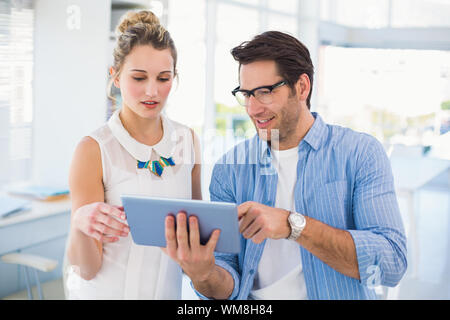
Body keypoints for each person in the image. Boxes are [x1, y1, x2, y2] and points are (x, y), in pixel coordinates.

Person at [164, 31, 407, 300]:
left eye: (265, 92)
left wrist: (294, 226)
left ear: (302, 87)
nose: (253, 109)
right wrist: (203, 275)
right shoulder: (229, 171)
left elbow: (391, 264)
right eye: (246, 94)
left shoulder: (360, 153)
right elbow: (227, 279)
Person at [65, 10, 201, 299]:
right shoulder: (93, 149)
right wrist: (79, 224)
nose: (152, 91)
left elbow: (194, 239)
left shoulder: (187, 140)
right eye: (139, 77)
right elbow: (85, 269)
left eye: (163, 78)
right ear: (114, 76)